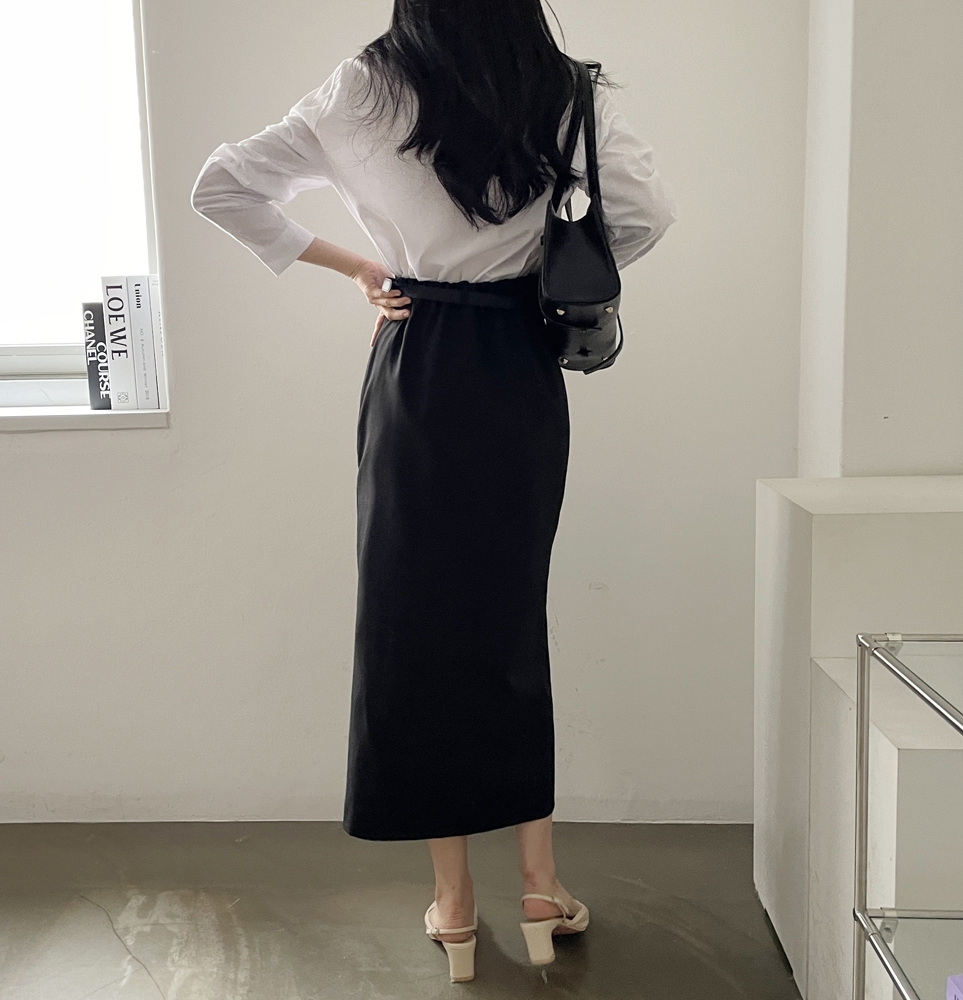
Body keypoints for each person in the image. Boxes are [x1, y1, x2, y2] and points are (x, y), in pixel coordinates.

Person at [192, 0, 677, 984]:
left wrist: (357, 266)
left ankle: (454, 908)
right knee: (508, 622)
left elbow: (223, 186)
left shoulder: (363, 87)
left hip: (416, 362)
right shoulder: (559, 89)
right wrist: (536, 271)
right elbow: (645, 214)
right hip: (517, 366)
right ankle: (539, 888)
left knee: (411, 627)